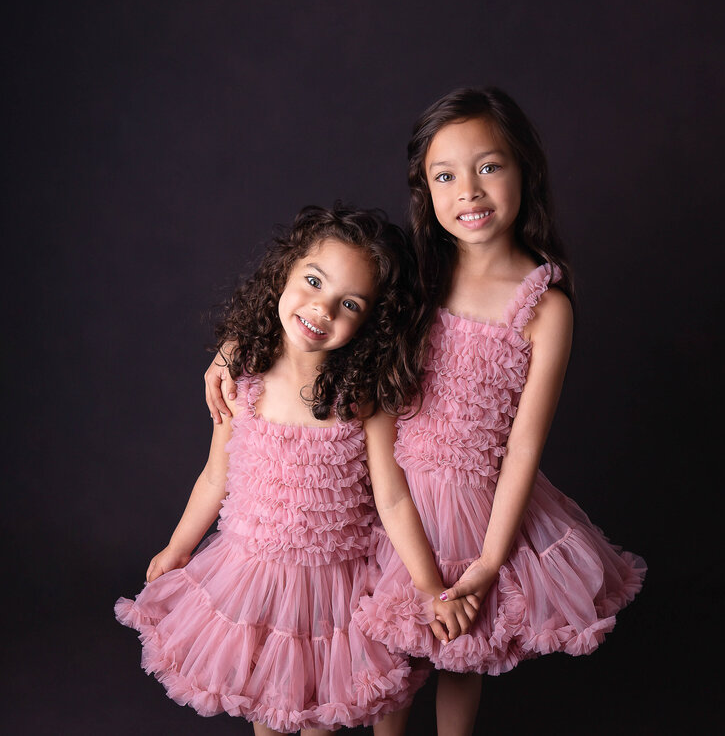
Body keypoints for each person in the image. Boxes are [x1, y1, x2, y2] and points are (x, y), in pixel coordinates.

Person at [206, 87, 647, 736]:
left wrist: (491, 559)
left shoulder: (543, 305)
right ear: (425, 187)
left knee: (460, 650)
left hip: (474, 503)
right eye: (446, 175)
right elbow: (311, 308)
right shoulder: (417, 275)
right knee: (389, 655)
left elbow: (523, 445)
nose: (468, 190)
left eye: (489, 167)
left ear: (526, 168)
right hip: (387, 493)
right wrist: (231, 348)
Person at [117, 204, 477, 736]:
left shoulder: (362, 399)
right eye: (312, 280)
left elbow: (393, 499)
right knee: (270, 711)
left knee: (317, 718)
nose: (320, 308)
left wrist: (428, 587)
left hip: (331, 590)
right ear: (283, 272)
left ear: (370, 320)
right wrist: (178, 546)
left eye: (348, 303)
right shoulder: (245, 377)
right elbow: (216, 476)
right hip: (255, 577)